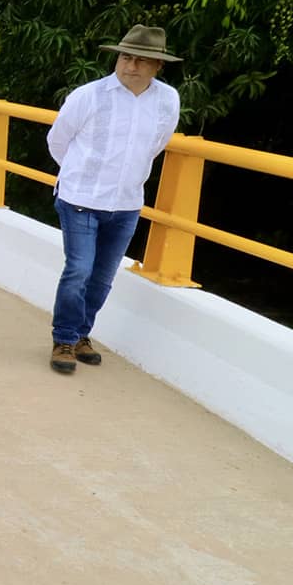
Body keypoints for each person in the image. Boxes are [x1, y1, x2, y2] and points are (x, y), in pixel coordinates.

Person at [46, 24, 182, 374]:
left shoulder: (167, 100)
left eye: (140, 60)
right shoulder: (89, 95)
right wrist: (84, 174)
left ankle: (80, 335)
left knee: (103, 277)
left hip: (126, 203)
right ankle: (63, 339)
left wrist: (122, 178)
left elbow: (156, 145)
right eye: (125, 57)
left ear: (158, 66)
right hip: (80, 197)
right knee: (78, 270)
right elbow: (58, 140)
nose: (130, 66)